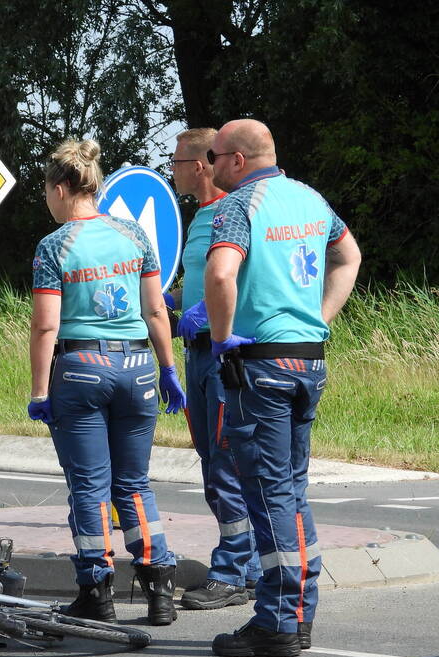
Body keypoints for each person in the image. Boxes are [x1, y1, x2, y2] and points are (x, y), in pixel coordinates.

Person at [203, 119, 361, 657]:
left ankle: (277, 620)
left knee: (268, 494)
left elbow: (222, 274)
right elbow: (350, 257)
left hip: (260, 366)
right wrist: (318, 318)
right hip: (307, 361)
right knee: (292, 490)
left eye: (215, 155)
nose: (210, 164)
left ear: (238, 160)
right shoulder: (313, 201)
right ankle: (299, 613)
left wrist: (221, 339)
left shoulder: (237, 205)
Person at [28, 138, 186, 627]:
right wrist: (168, 369)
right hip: (137, 367)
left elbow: (45, 326)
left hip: (79, 369)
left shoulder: (55, 246)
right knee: (134, 484)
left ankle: (97, 592)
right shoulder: (134, 235)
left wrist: (38, 391)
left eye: (46, 192)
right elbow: (156, 308)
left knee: (90, 487)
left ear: (60, 188)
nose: (47, 201)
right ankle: (159, 589)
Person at [165, 127, 262, 610]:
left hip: (224, 355)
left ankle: (231, 572)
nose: (173, 170)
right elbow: (204, 285)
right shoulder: (200, 218)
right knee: (213, 463)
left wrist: (207, 315)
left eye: (177, 162)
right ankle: (246, 570)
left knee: (226, 464)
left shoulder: (232, 211)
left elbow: (241, 278)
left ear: (201, 165)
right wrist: (173, 300)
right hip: (197, 355)